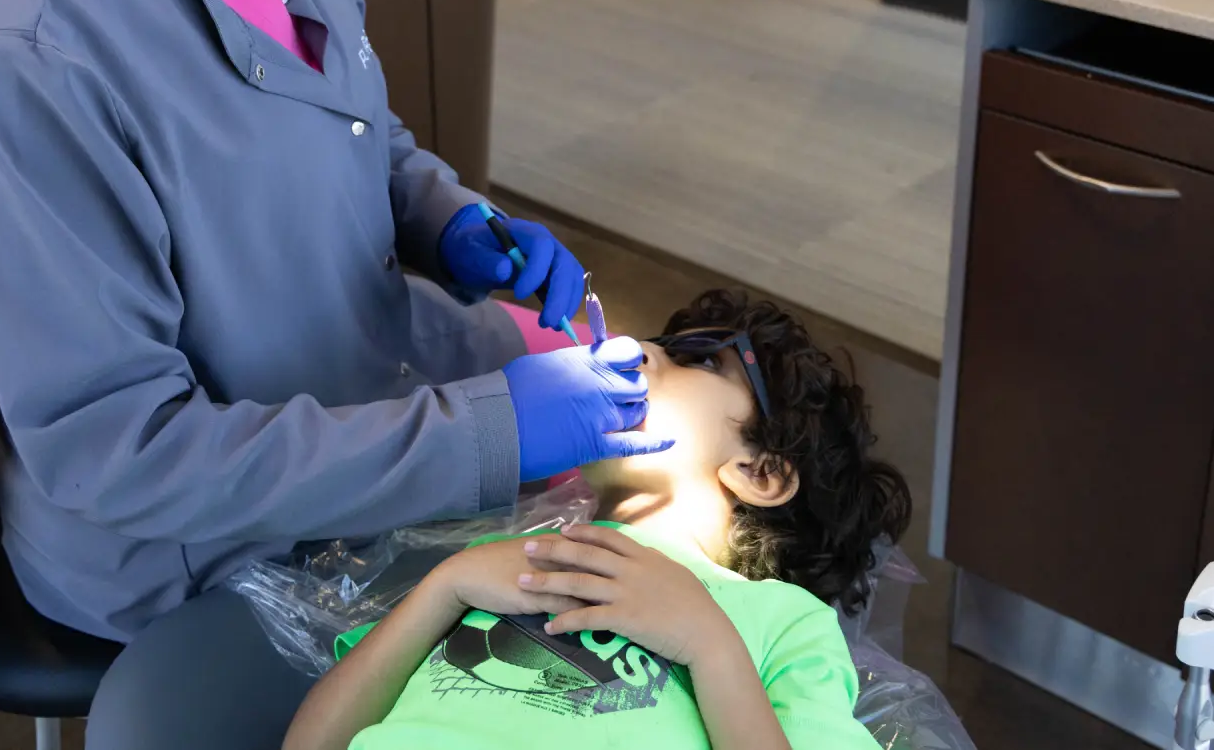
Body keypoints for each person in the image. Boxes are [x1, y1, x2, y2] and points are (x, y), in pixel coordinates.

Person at [0, 0, 675, 666]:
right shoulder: (16, 53)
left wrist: (446, 219)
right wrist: (481, 437)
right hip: (196, 528)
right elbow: (124, 455)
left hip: (364, 358)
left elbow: (348, 121)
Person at [282, 290, 915, 750]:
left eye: (699, 359)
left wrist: (708, 643)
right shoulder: (506, 564)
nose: (636, 350)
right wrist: (446, 586)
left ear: (762, 472)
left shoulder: (779, 622)